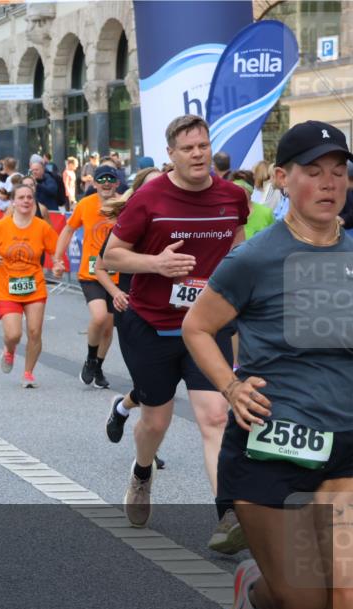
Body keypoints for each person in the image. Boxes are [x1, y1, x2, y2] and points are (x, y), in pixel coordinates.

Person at [182, 120, 353, 609]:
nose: (329, 183)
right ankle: (255, 593)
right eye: (312, 172)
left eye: (339, 171)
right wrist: (230, 386)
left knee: (347, 593)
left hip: (344, 446)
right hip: (271, 445)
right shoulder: (255, 257)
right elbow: (197, 327)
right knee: (301, 602)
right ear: (281, 179)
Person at [103, 114, 249, 555]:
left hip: (206, 326)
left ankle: (228, 515)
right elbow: (111, 256)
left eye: (203, 145)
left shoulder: (232, 195)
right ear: (172, 154)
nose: (199, 154)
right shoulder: (149, 197)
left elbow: (238, 241)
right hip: (152, 324)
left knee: (215, 416)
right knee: (156, 420)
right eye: (188, 148)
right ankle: (142, 472)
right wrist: (157, 265)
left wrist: (238, 274)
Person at [95, 167, 166, 471]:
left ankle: (124, 409)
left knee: (162, 387)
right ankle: (135, 426)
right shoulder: (126, 227)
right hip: (132, 310)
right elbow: (99, 267)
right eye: (152, 187)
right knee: (152, 385)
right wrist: (114, 293)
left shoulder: (173, 224)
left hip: (170, 312)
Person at [0, 183, 58, 388]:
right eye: (21, 197)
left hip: (35, 286)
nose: (26, 201)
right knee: (13, 334)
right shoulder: (2, 226)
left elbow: (55, 250)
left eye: (29, 197)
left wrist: (58, 264)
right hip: (7, 287)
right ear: (13, 202)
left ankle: (28, 373)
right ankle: (9, 349)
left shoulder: (42, 227)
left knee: (34, 332)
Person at [52, 164, 122, 389]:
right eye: (102, 179)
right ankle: (90, 358)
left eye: (111, 179)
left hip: (118, 276)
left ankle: (98, 367)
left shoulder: (124, 205)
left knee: (109, 327)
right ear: (94, 183)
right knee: (99, 317)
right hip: (91, 273)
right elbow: (68, 230)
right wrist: (57, 258)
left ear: (117, 183)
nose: (106, 183)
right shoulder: (85, 204)